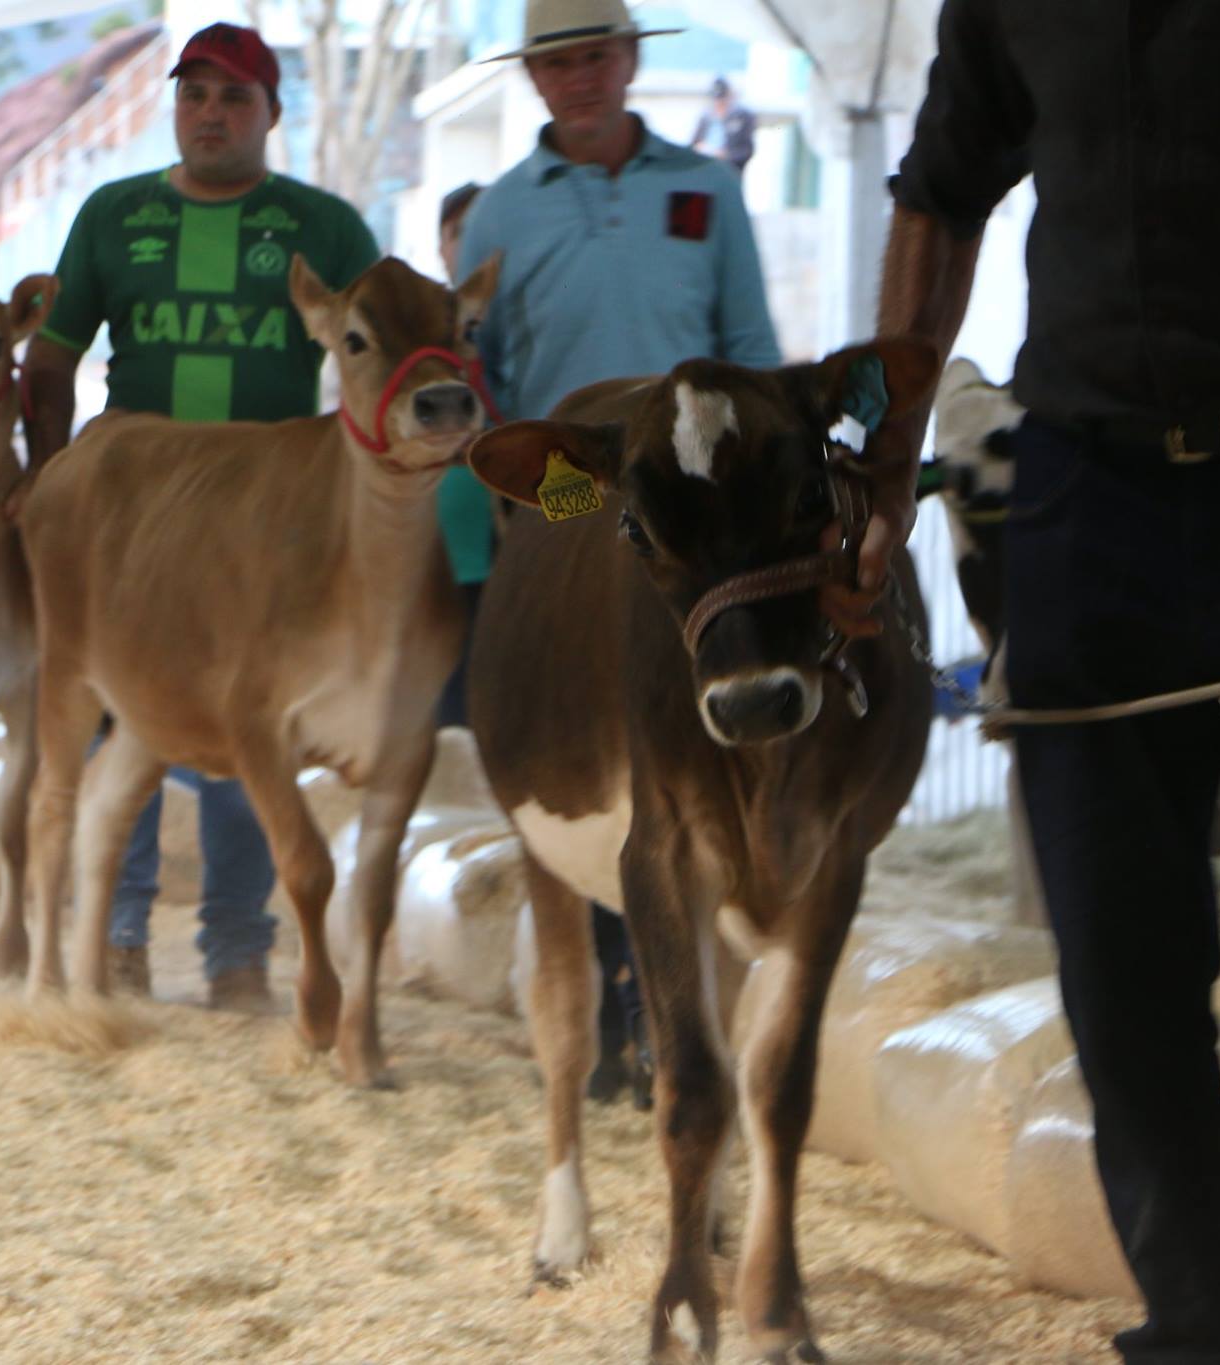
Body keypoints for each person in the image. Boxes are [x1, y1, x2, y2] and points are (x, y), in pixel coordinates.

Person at [838, 4, 1220, 1359]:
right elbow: (939, 194)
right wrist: (883, 460)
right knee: (1122, 958)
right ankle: (1204, 1321)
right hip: (1090, 484)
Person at [455, 0, 783, 1104]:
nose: (577, 78)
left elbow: (749, 354)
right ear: (534, 81)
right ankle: (601, 1010)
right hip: (567, 507)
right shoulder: (498, 211)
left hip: (701, 517)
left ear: (629, 59)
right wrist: (511, 516)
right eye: (555, 62)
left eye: (593, 55)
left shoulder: (710, 192)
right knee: (577, 749)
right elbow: (481, 383)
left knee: (698, 738)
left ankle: (676, 1015)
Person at [21, 21, 379, 1010]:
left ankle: (235, 949)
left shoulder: (327, 227)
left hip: (270, 522)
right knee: (117, 708)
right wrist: (44, 480)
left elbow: (385, 345)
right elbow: (49, 356)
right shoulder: (109, 214)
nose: (211, 113)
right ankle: (119, 937)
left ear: (273, 113)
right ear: (172, 109)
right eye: (193, 95)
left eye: (234, 97)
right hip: (131, 519)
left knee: (249, 719)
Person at [434, 181, 489, 729]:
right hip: (440, 552)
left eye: (481, 229)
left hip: (521, 542)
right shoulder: (420, 332)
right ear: (441, 247)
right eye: (457, 232)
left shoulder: (523, 327)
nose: (469, 242)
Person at [689, 75, 756, 175]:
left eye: (722, 101)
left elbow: (746, 151)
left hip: (728, 171)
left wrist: (726, 155)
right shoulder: (705, 117)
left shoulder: (742, 117)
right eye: (716, 101)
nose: (718, 105)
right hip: (704, 169)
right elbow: (692, 144)